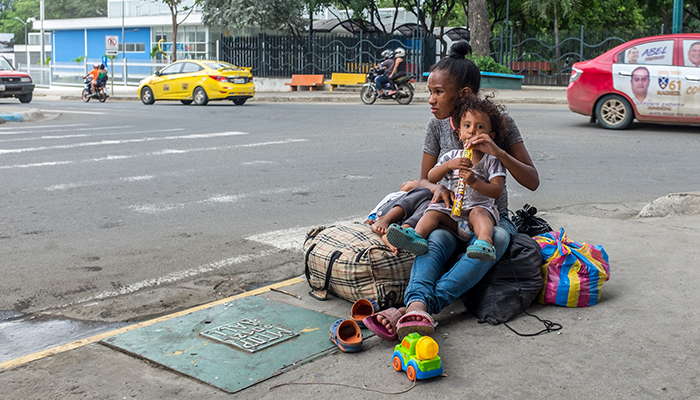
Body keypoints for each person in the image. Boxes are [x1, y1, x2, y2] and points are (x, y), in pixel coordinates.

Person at [365, 41, 539, 340]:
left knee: (495, 238)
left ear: (464, 94)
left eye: (438, 92)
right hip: (450, 215)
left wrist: (498, 150)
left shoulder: (497, 123)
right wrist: (438, 188)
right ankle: (418, 303)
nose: (430, 100)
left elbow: (532, 181)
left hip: (489, 216)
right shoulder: (438, 127)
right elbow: (425, 179)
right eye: (430, 92)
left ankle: (422, 307)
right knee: (433, 240)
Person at [385, 94, 508, 261]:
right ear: (459, 133)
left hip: (477, 217)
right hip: (456, 221)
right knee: (434, 211)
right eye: (467, 126)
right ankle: (416, 237)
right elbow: (431, 176)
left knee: (479, 212)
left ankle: (484, 242)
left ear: (490, 136)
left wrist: (473, 182)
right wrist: (448, 166)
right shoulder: (452, 157)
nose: (472, 131)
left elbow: (497, 191)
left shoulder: (491, 161)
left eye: (480, 127)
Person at [364, 179, 432, 254]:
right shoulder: (398, 194)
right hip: (389, 212)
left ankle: (395, 233)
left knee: (430, 204)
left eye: (411, 181)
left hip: (402, 220)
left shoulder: (423, 200)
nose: (404, 183)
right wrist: (371, 217)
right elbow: (381, 205)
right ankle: (384, 220)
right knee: (426, 192)